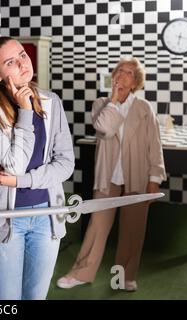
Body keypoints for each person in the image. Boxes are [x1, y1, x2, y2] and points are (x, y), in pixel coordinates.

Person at [0, 36, 75, 300]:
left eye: (22, 55)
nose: (22, 63)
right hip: (7, 221)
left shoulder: (51, 102)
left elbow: (65, 164)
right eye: (10, 62)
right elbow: (14, 164)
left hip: (47, 215)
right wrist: (25, 111)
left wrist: (21, 182)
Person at [57, 57, 166, 292]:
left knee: (133, 229)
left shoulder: (144, 108)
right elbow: (105, 130)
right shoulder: (101, 103)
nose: (122, 75)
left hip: (137, 175)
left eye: (128, 72)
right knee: (97, 225)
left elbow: (154, 146)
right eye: (119, 71)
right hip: (108, 176)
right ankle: (81, 273)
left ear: (136, 80)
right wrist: (115, 101)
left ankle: (124, 277)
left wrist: (154, 178)